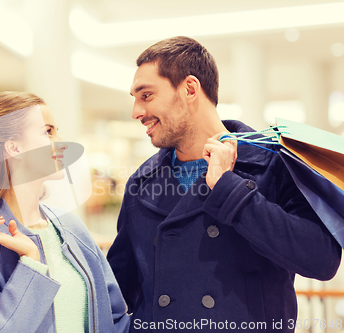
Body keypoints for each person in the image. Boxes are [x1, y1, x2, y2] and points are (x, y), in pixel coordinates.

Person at [106, 36, 342, 332]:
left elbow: (321, 260)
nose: (136, 112)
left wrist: (230, 189)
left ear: (190, 89)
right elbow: (118, 286)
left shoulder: (274, 164)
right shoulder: (141, 184)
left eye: (146, 96)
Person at [0, 91, 130, 333]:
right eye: (48, 131)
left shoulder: (71, 228)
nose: (61, 141)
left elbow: (115, 317)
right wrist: (31, 266)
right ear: (13, 147)